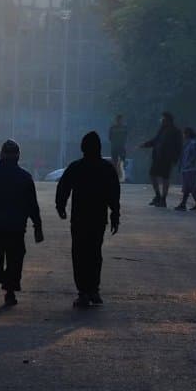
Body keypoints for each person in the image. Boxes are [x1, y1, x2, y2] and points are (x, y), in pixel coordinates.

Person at [0, 139, 44, 308]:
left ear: (1, 155)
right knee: (14, 259)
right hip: (16, 227)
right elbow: (32, 205)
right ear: (18, 156)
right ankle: (10, 291)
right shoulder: (25, 177)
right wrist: (37, 226)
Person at [56, 131, 121, 308]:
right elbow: (114, 195)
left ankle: (83, 291)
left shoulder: (76, 167)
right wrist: (115, 215)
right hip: (98, 218)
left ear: (82, 148)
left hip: (79, 218)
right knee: (95, 253)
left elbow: (63, 188)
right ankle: (94, 289)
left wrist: (60, 207)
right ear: (99, 148)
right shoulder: (107, 169)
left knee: (79, 254)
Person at [139, 111, 182, 207]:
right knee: (152, 175)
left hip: (167, 158)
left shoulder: (176, 131)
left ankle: (163, 199)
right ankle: (158, 196)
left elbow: (179, 147)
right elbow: (155, 141)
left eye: (163, 119)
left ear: (168, 120)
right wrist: (145, 144)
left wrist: (175, 159)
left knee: (165, 178)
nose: (161, 121)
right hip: (157, 157)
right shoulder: (162, 130)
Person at [175, 127, 196, 211]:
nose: (183, 135)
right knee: (187, 188)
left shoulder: (193, 143)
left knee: (191, 188)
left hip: (191, 169)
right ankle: (184, 204)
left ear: (188, 134)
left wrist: (188, 164)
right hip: (187, 169)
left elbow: (195, 156)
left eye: (184, 133)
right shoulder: (189, 143)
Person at [108, 114, 129, 182]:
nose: (119, 121)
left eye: (120, 119)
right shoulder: (112, 128)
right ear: (116, 120)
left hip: (121, 147)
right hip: (115, 147)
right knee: (115, 162)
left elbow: (126, 137)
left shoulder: (124, 128)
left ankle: (122, 176)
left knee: (122, 162)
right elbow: (110, 137)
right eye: (118, 119)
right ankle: (116, 176)